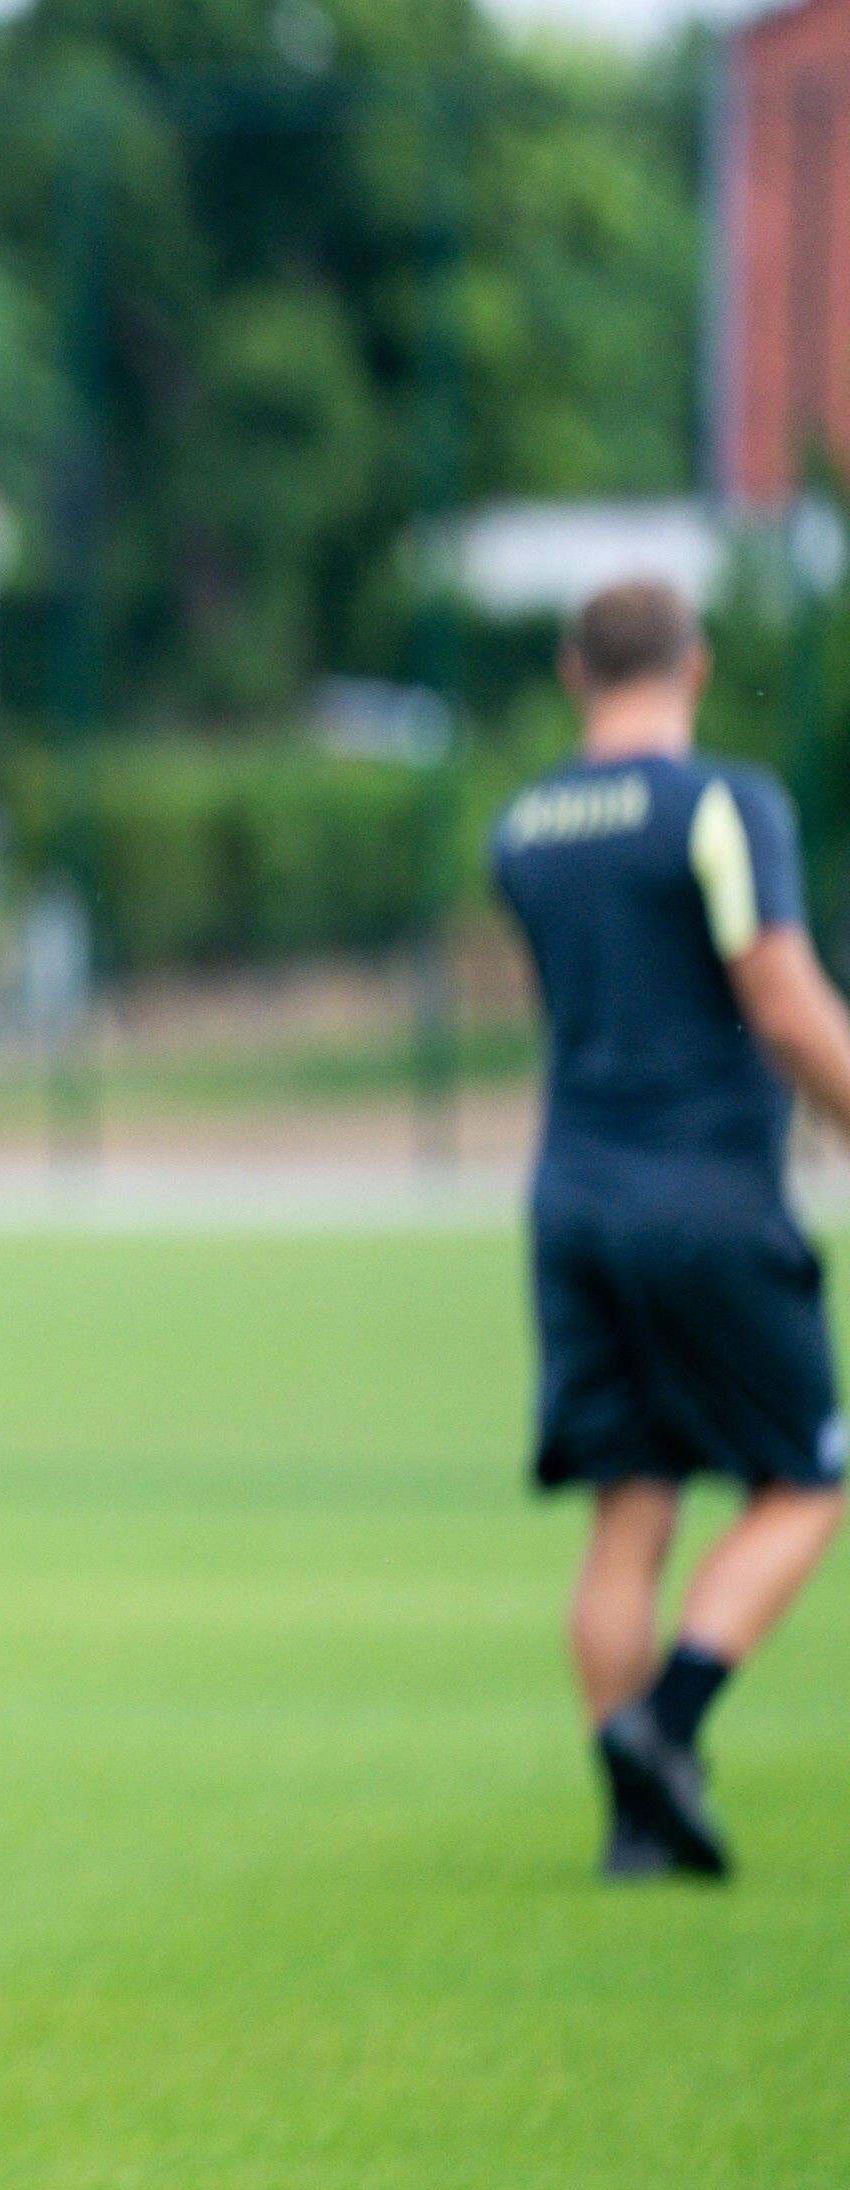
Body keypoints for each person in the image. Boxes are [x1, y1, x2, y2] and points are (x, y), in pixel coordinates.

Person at [492, 578, 850, 1879]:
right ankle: (670, 1725)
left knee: (627, 1512)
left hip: (574, 1199)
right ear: (694, 667)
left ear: (573, 671)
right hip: (706, 1196)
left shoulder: (524, 826)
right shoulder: (722, 804)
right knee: (808, 1479)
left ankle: (635, 1828)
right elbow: (783, 1000)